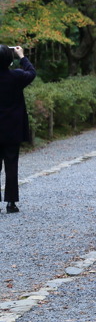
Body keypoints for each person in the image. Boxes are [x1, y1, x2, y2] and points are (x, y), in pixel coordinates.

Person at [0, 45, 35, 212]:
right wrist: (22, 56)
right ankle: (11, 203)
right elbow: (32, 73)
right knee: (11, 166)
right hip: (12, 129)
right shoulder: (17, 76)